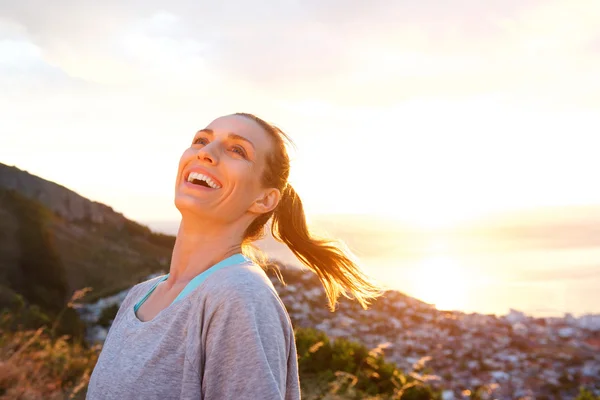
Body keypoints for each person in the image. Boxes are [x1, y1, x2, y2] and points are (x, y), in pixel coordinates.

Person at [86, 113, 383, 399]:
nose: (206, 152)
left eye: (237, 150)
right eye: (202, 140)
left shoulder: (238, 296)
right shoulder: (139, 296)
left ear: (264, 199)